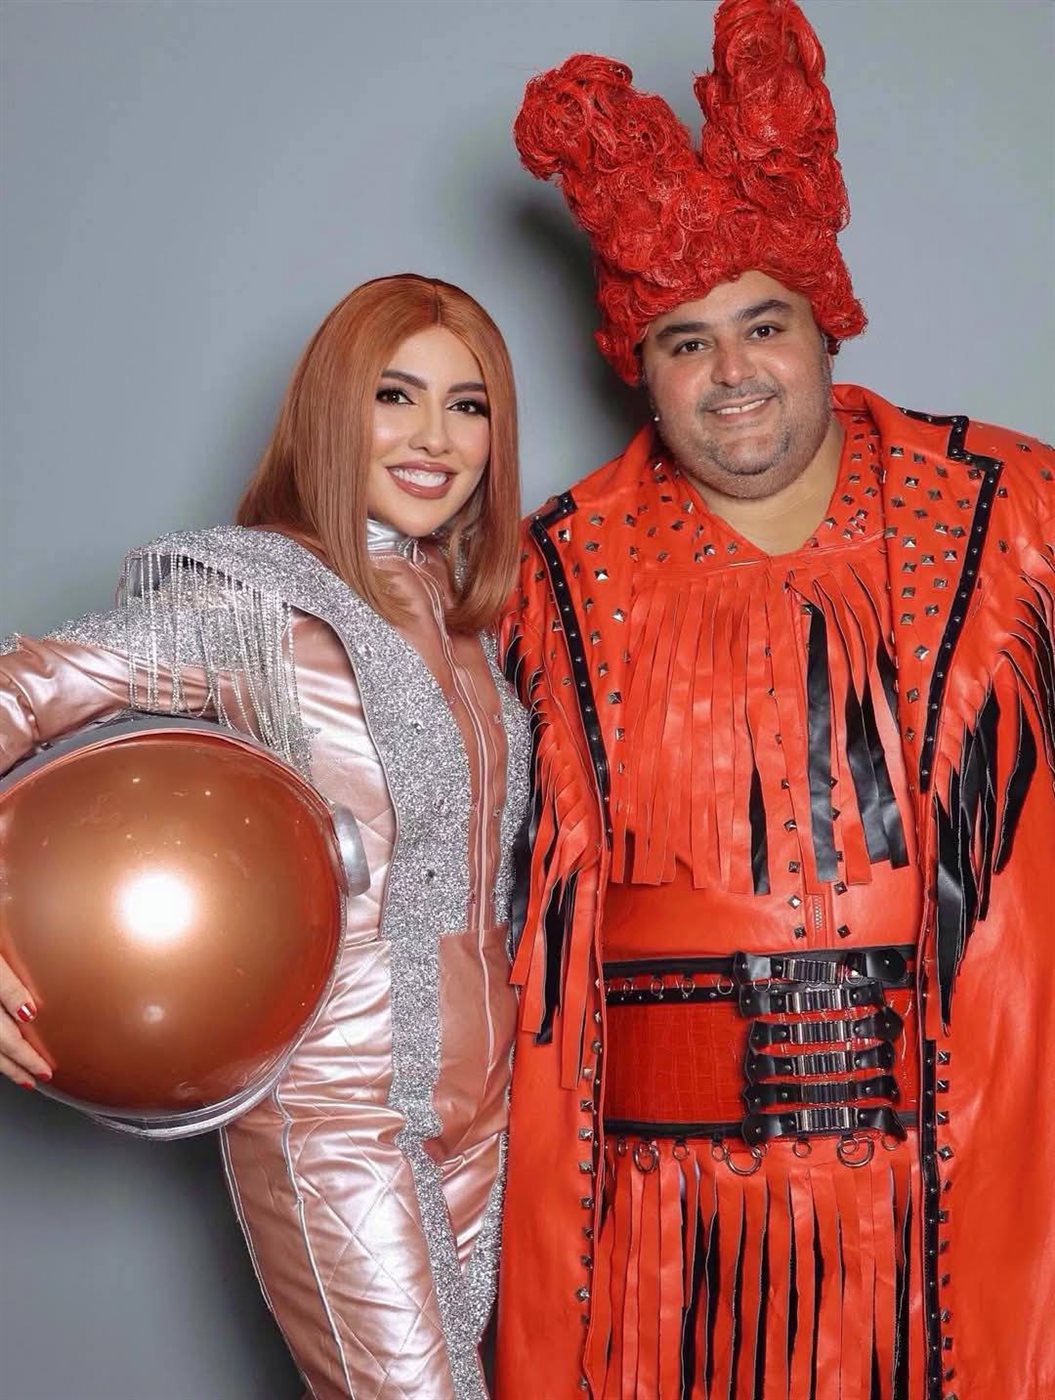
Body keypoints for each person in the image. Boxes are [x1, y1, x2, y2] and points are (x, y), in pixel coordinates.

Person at [496, 2, 1054, 1398]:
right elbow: (387, 825)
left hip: (945, 1215)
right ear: (637, 363)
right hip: (665, 1251)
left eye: (762, 324)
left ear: (824, 326)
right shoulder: (542, 582)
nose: (732, 373)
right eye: (684, 342)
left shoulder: (1015, 517)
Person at [0, 273, 529, 1399]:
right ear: (335, 408)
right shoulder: (253, 601)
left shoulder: (474, 620)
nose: (435, 438)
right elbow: (23, 691)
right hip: (335, 1115)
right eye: (396, 395)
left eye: (468, 405)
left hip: (490, 1111)